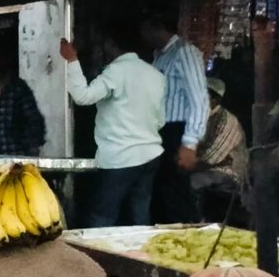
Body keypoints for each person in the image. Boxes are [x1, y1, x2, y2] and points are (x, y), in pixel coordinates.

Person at [61, 29, 166, 228]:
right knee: (139, 218)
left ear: (111, 45)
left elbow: (83, 97)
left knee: (102, 217)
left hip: (121, 157)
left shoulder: (116, 71)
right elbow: (160, 121)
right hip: (150, 155)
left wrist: (72, 60)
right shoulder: (155, 75)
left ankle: (95, 250)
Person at [140, 13, 210, 223]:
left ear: (156, 26)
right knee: (161, 195)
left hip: (176, 131)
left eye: (144, 28)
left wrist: (189, 143)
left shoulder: (184, 53)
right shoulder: (159, 56)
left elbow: (199, 99)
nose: (142, 35)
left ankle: (188, 236)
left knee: (175, 196)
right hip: (160, 132)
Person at [192, 77, 248, 218]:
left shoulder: (227, 122)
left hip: (228, 173)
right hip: (205, 167)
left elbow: (210, 160)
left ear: (215, 100)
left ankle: (196, 222)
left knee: (191, 183)